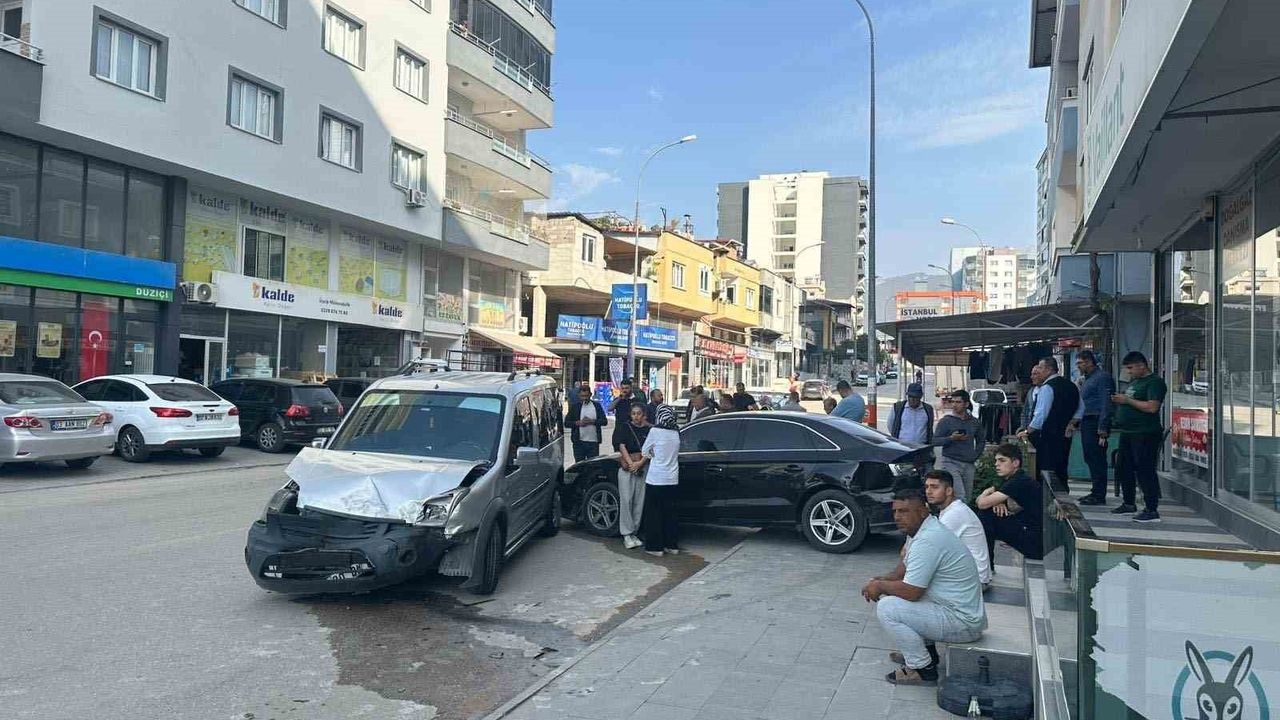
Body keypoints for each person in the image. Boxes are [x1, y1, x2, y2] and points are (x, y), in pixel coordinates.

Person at [862, 489, 986, 686]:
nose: (897, 517)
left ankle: (922, 669)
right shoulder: (924, 530)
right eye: (895, 511)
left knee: (888, 607)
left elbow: (912, 592)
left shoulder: (928, 540)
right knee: (897, 596)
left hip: (963, 623)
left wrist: (880, 586)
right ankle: (926, 655)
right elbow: (903, 570)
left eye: (904, 511)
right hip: (956, 613)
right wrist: (879, 580)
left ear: (922, 512)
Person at [1109, 351, 1168, 522]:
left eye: (1130, 368)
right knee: (1123, 467)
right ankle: (1128, 502)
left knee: (1144, 469)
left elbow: (1152, 407)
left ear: (1142, 365)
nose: (1128, 372)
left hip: (1145, 433)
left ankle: (1151, 508)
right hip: (1128, 432)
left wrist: (1127, 401)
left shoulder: (1154, 383)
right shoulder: (1135, 382)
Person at [975, 444, 1043, 564]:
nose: (997, 464)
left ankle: (985, 565)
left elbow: (982, 503)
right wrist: (998, 501)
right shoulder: (1012, 479)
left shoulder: (1019, 481)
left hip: (1035, 542)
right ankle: (985, 564)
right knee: (988, 512)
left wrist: (987, 493)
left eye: (1002, 460)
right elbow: (983, 501)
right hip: (1030, 533)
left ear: (1015, 463)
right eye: (996, 461)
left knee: (986, 514)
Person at [1017, 358, 1079, 491]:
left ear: (1049, 369)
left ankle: (1049, 500)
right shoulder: (1071, 385)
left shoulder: (1047, 387)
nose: (1038, 371)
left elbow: (1040, 415)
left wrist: (1027, 431)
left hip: (1047, 436)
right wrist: (1071, 423)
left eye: (1040, 367)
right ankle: (1063, 495)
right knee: (1061, 468)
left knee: (1046, 469)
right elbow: (1081, 409)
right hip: (1065, 435)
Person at [923, 469, 992, 587]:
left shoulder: (954, 514)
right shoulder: (951, 510)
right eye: (927, 487)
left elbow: (931, 550)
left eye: (934, 487)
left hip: (974, 581)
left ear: (949, 491)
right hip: (969, 576)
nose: (928, 491)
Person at [1072, 350, 1117, 506]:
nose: (1078, 366)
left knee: (1097, 458)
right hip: (1087, 421)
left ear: (1089, 362)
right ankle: (1095, 490)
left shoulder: (1102, 378)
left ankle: (1099, 494)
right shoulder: (1088, 379)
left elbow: (1106, 403)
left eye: (1080, 363)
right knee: (1090, 457)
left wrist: (1103, 428)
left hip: (1096, 421)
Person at [639, 405, 682, 557]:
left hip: (656, 478)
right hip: (672, 479)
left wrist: (653, 454)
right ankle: (672, 545)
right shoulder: (676, 433)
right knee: (670, 513)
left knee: (654, 514)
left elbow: (645, 451)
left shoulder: (654, 432)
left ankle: (655, 547)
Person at [932, 389, 983, 501]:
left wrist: (975, 455)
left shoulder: (974, 422)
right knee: (959, 496)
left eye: (958, 402)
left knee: (968, 497)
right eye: (953, 402)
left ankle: (962, 518)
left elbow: (981, 440)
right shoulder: (946, 421)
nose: (954, 405)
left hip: (968, 463)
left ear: (966, 404)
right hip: (951, 462)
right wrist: (951, 438)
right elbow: (935, 441)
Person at [613, 403, 651, 550]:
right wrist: (631, 464)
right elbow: (621, 446)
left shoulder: (649, 430)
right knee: (626, 500)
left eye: (639, 413)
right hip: (627, 467)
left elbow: (650, 450)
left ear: (644, 415)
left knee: (638, 501)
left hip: (642, 467)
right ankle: (626, 533)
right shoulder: (624, 427)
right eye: (634, 413)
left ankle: (634, 531)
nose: (636, 416)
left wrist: (639, 464)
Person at [564, 386, 607, 463]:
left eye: (586, 396)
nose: (584, 398)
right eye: (582, 396)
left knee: (593, 465)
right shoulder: (575, 407)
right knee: (579, 465)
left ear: (590, 395)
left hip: (593, 442)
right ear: (579, 396)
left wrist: (592, 421)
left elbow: (604, 421)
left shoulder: (596, 406)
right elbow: (566, 423)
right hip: (579, 442)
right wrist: (578, 423)